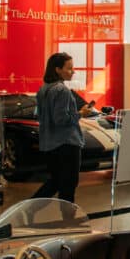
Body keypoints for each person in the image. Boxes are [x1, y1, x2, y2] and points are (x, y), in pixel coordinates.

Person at [32, 52, 91, 203]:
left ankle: (30, 208)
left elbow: (39, 115)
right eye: (69, 68)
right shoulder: (62, 90)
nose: (73, 71)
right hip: (66, 143)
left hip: (49, 143)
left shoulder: (43, 89)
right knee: (68, 185)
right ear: (58, 69)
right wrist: (81, 113)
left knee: (56, 182)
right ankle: (67, 219)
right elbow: (62, 119)